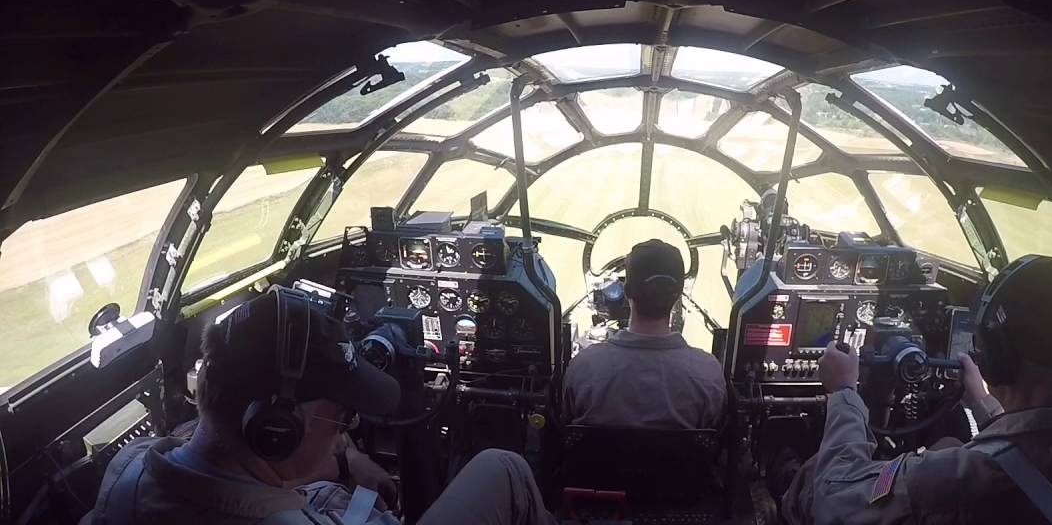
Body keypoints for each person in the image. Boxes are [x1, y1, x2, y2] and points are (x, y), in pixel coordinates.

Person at [83, 285, 555, 525]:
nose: (344, 426)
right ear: (278, 427)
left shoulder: (128, 471)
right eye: (342, 414)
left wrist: (345, 462)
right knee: (504, 468)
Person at [782, 255, 1052, 525]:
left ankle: (779, 473)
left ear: (996, 358)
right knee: (947, 444)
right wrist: (983, 403)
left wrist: (844, 392)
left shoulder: (951, 479)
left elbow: (834, 500)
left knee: (814, 473)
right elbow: (1038, 451)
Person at [563, 239, 726, 429]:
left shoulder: (584, 368)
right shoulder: (708, 374)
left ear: (627, 291)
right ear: (678, 294)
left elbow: (564, 428)